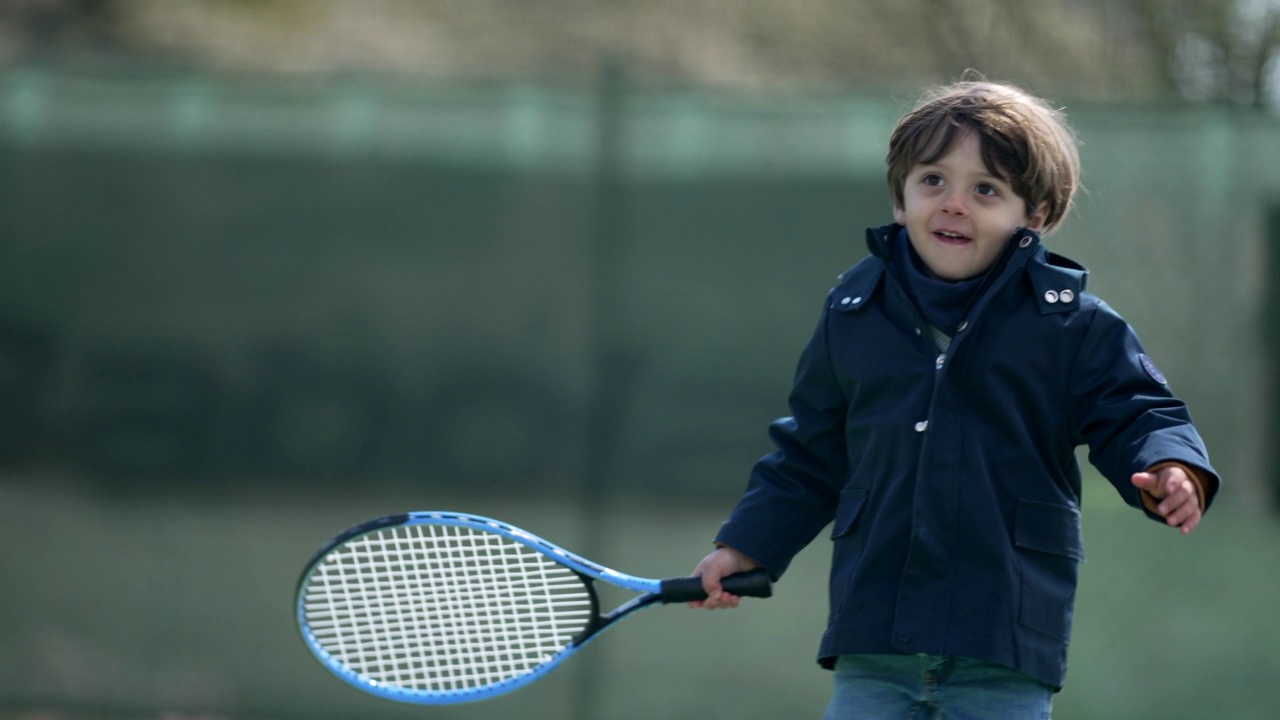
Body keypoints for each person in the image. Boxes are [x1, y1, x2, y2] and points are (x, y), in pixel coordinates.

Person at [688, 80, 1219, 719]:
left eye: (985, 190)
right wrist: (746, 545)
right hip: (872, 642)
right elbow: (808, 455)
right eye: (933, 181)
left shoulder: (1072, 324)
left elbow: (1138, 409)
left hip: (1003, 646)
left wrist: (1170, 465)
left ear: (1037, 214)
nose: (953, 205)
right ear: (901, 195)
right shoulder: (852, 314)